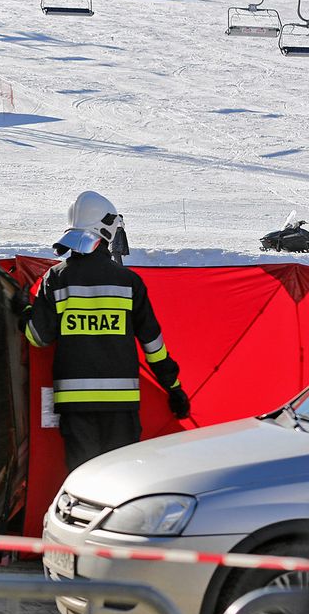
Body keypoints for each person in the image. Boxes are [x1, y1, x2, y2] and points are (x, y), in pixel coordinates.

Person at [19, 191, 189, 472]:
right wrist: (173, 387)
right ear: (106, 230)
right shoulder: (129, 281)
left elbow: (37, 338)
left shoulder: (56, 278)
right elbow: (153, 345)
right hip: (121, 407)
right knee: (123, 479)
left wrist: (24, 310)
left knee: (83, 480)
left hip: (75, 406)